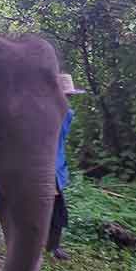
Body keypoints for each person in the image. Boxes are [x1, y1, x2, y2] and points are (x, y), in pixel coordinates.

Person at [47, 73, 83, 260]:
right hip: (45, 169)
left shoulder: (67, 115)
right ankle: (48, 246)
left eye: (69, 97)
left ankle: (53, 246)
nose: (68, 100)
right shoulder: (47, 115)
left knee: (57, 211)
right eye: (66, 96)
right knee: (50, 209)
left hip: (56, 168)